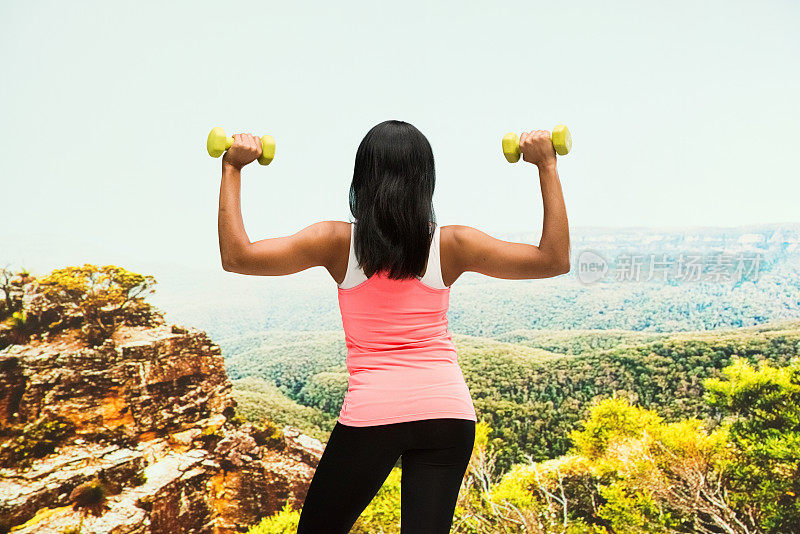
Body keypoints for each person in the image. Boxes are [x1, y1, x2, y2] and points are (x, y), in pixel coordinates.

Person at [217, 120, 570, 533]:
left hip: (374, 413)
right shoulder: (453, 244)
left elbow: (238, 257)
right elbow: (554, 260)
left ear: (362, 179)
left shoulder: (335, 241)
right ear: (426, 182)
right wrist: (546, 165)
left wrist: (232, 168)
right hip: (447, 412)